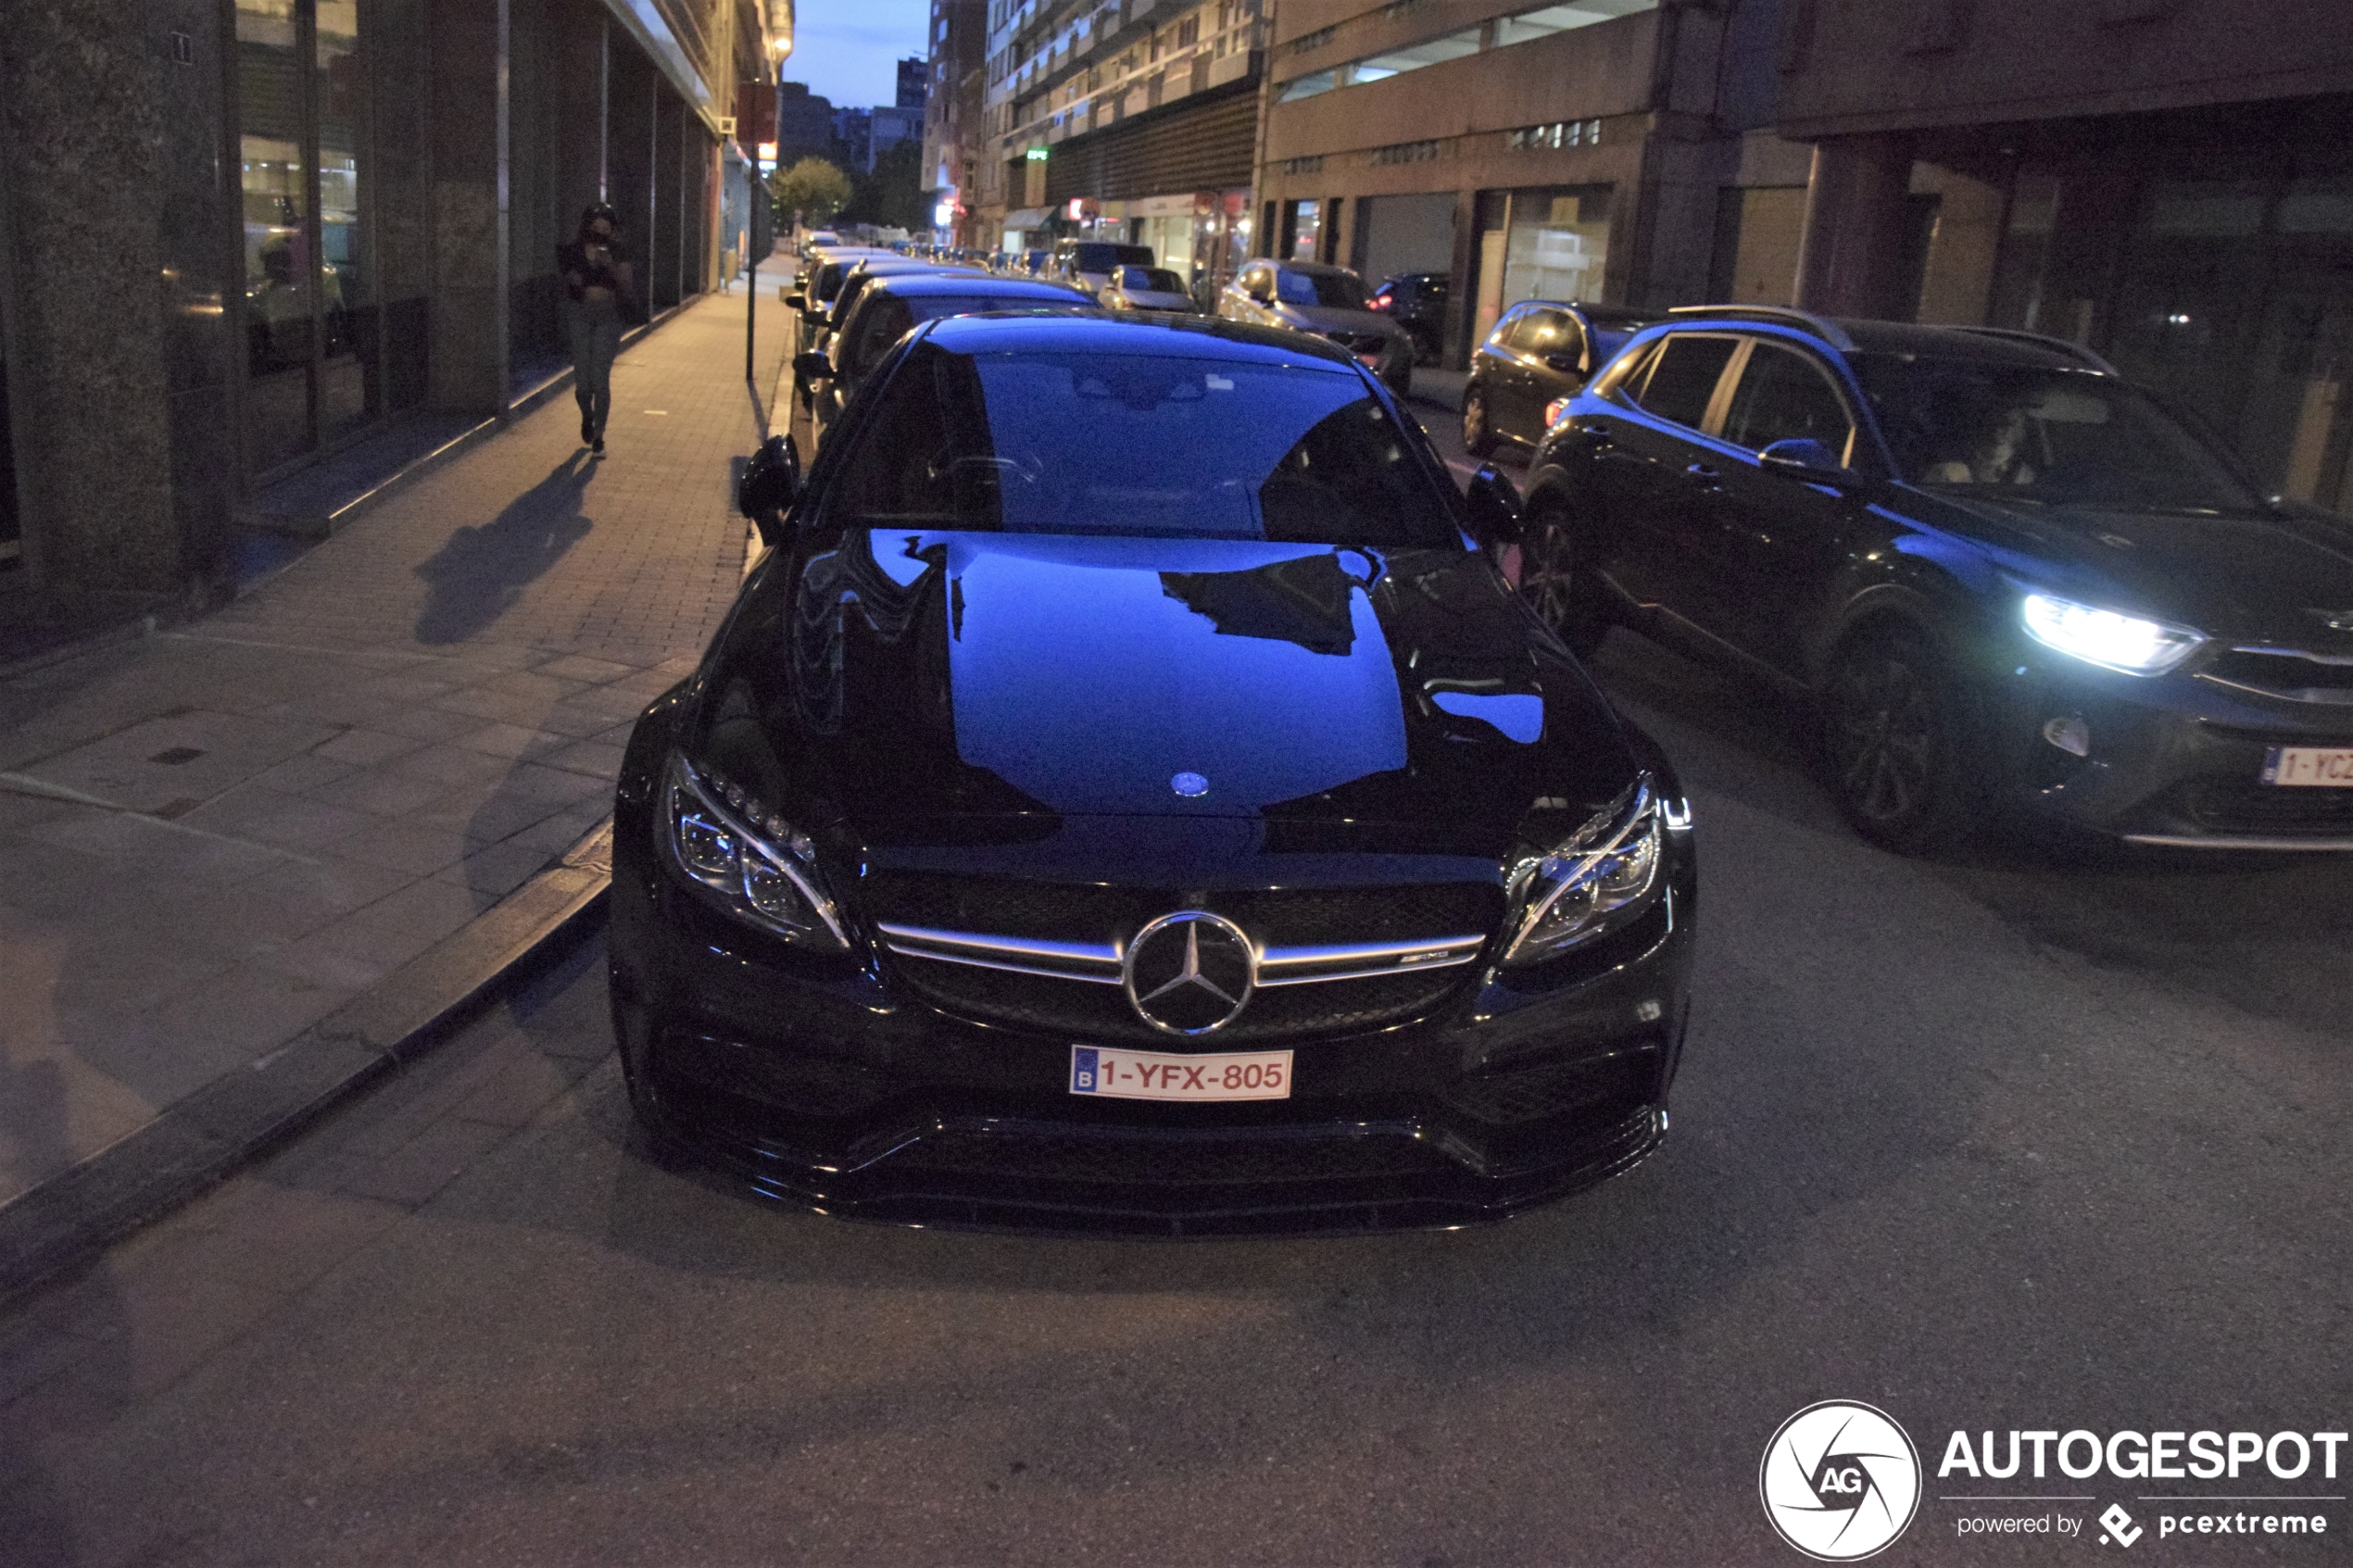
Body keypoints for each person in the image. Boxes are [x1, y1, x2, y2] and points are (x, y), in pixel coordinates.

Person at [558, 203, 634, 455]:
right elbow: (568, 282)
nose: (600, 231)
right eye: (596, 226)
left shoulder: (617, 251)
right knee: (583, 384)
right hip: (579, 316)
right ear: (587, 226)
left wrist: (609, 265)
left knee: (600, 380)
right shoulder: (573, 251)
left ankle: (599, 435)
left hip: (607, 318)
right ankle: (587, 416)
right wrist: (574, 281)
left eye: (606, 227)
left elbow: (626, 284)